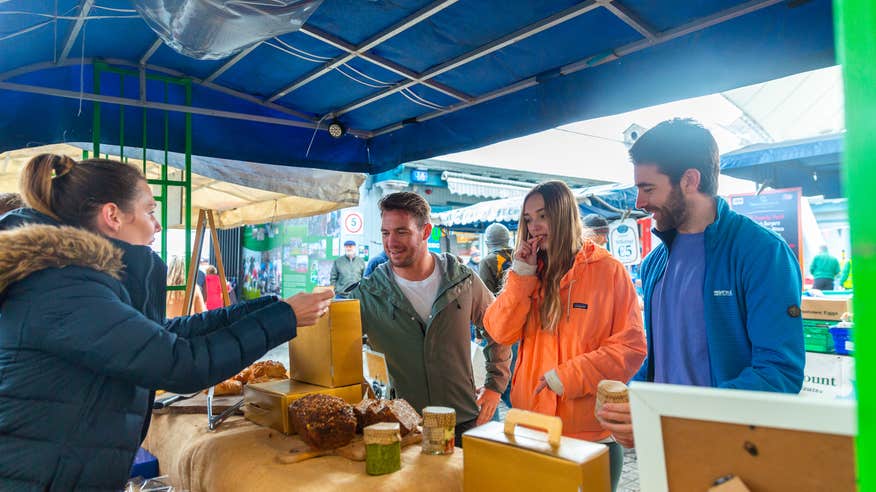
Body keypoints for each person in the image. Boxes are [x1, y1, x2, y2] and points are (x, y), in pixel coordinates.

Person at [0, 154, 334, 491]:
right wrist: (285, 318)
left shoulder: (72, 279)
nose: (157, 225)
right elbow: (180, 362)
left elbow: (162, 336)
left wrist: (271, 307)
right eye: (150, 212)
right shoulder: (62, 286)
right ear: (112, 215)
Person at [598, 118, 804, 449]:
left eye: (648, 188)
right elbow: (666, 357)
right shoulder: (655, 264)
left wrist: (679, 415)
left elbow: (779, 372)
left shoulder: (762, 253)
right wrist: (634, 401)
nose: (639, 202)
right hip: (665, 445)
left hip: (733, 448)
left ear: (690, 180)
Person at [483, 181, 646, 492]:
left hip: (589, 433)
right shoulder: (529, 272)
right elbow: (499, 331)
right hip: (531, 425)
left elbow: (631, 346)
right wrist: (521, 275)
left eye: (542, 216)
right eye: (528, 219)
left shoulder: (609, 271)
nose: (534, 228)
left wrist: (568, 376)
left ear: (564, 215)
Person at [350, 192, 510, 445]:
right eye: (385, 233)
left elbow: (499, 328)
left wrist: (494, 386)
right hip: (405, 427)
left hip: (465, 419)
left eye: (401, 232)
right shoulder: (369, 292)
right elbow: (334, 344)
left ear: (426, 232)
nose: (391, 242)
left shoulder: (463, 279)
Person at [477, 222, 516, 409]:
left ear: (487, 242)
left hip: (500, 329)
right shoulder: (520, 256)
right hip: (524, 327)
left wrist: (479, 332)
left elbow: (485, 300)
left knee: (499, 380)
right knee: (517, 376)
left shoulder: (488, 261)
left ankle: (519, 415)